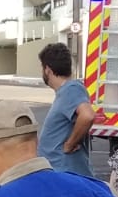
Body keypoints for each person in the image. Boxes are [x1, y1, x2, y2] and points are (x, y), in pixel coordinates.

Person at [39, 42, 96, 177]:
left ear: (47, 69)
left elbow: (88, 115)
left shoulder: (71, 89)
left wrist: (70, 144)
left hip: (66, 173)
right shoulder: (65, 91)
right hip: (59, 173)